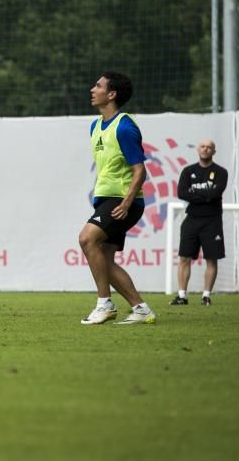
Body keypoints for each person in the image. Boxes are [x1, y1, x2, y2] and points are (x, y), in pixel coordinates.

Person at [79, 71, 156, 325]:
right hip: (106, 199)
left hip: (123, 201)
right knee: (103, 260)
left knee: (86, 239)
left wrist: (126, 202)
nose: (92, 89)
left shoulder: (124, 126)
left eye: (98, 85)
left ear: (111, 94)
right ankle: (141, 308)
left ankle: (105, 304)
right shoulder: (95, 125)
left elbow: (140, 170)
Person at [170, 140, 228, 306]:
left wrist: (195, 192)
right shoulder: (188, 171)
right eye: (203, 146)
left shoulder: (221, 172)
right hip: (192, 219)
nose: (205, 149)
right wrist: (205, 195)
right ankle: (182, 296)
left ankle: (206, 296)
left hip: (212, 221)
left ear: (214, 151)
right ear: (198, 149)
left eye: (209, 147)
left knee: (211, 259)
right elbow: (181, 193)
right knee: (184, 258)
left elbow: (216, 193)